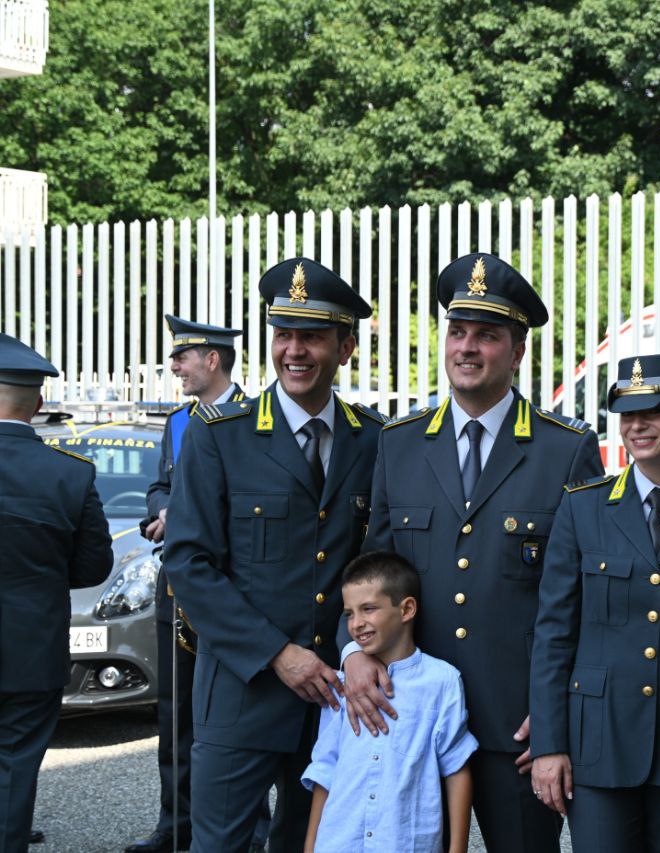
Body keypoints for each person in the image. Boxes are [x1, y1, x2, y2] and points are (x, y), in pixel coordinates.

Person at [342, 252, 604, 853]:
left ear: (517, 352)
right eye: (458, 331)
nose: (467, 347)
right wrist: (351, 651)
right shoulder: (401, 445)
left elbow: (588, 597)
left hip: (518, 729)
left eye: (487, 335)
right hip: (413, 720)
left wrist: (557, 711)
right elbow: (371, 575)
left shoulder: (564, 450)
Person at [164, 258, 384, 853]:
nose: (294, 350)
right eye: (283, 334)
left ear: (346, 347)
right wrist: (277, 654)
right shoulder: (219, 433)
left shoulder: (375, 439)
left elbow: (374, 566)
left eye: (312, 336)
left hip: (338, 699)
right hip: (242, 693)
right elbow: (187, 563)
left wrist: (350, 648)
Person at [529, 354, 660, 852]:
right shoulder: (583, 507)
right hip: (599, 746)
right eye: (627, 414)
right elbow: (553, 634)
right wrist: (550, 744)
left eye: (653, 411)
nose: (637, 425)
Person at [129, 315, 250, 853]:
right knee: (174, 715)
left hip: (230, 592)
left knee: (238, 718)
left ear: (213, 360)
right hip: (177, 592)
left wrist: (180, 514)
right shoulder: (178, 421)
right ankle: (174, 824)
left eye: (182, 357)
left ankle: (251, 831)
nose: (174, 366)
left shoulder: (254, 418)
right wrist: (164, 508)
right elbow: (159, 488)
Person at [0, 333, 113, 850]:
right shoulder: (70, 475)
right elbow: (94, 566)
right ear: (38, 404)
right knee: (17, 759)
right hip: (32, 644)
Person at [302, 551, 477, 853]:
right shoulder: (341, 686)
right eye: (349, 614)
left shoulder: (442, 681)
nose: (356, 624)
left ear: (407, 609)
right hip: (339, 842)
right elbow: (325, 769)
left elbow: (456, 767)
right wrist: (310, 846)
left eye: (368, 609)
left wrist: (457, 848)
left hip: (404, 843)